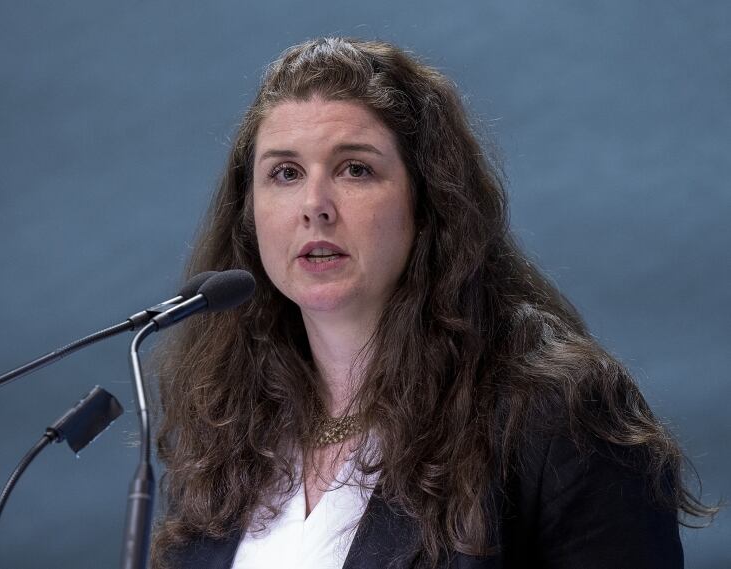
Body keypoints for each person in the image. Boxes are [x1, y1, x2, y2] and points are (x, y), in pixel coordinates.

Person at [151, 38, 714, 569]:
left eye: (355, 169)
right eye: (285, 173)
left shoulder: (555, 413)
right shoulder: (227, 426)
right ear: (249, 214)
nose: (314, 205)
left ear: (429, 202)